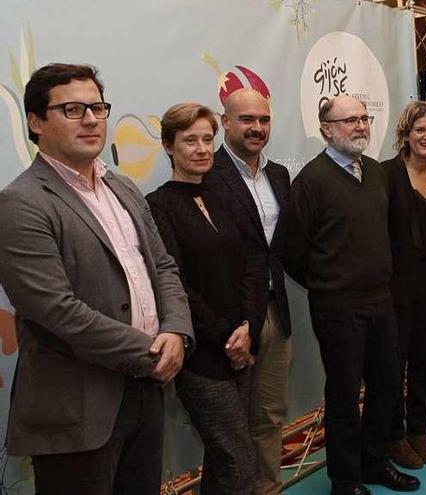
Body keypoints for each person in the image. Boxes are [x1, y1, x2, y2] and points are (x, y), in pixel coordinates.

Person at [0, 63, 193, 494]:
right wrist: (153, 351)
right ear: (35, 121)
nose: (91, 119)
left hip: (146, 390)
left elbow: (162, 266)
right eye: (71, 109)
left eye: (98, 107)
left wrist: (177, 331)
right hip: (78, 406)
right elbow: (56, 311)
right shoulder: (20, 203)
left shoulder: (123, 188)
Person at [285, 95, 419, 495]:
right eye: (349, 120)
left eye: (364, 118)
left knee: (386, 385)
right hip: (337, 306)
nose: (361, 126)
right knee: (344, 393)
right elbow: (293, 252)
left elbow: (390, 235)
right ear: (326, 129)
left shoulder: (377, 173)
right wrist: (331, 283)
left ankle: (374, 463)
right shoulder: (311, 180)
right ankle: (345, 479)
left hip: (380, 300)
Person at [146, 103, 261, 494]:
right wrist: (228, 337)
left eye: (207, 139)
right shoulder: (158, 205)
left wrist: (248, 327)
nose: (201, 148)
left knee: (224, 457)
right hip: (203, 355)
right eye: (189, 140)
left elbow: (250, 263)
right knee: (237, 457)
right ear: (168, 146)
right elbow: (174, 283)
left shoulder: (223, 194)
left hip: (242, 345)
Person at [203, 88, 292, 495]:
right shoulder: (208, 174)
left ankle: (268, 489)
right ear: (225, 122)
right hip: (231, 320)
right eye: (246, 120)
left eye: (264, 120)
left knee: (270, 415)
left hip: (276, 309)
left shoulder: (279, 175)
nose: (257, 128)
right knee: (230, 428)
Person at [381, 101, 426, 469]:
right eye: (420, 129)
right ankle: (394, 437)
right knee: (394, 364)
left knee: (425, 358)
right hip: (394, 288)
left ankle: (417, 429)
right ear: (406, 135)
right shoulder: (385, 174)